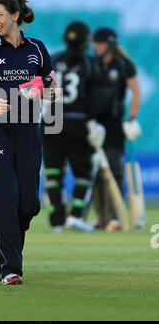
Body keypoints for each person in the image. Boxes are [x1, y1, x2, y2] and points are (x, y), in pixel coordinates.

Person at [0, 0, 56, 285]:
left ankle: (4, 242)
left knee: (29, 204)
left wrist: (40, 88)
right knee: (6, 198)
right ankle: (10, 268)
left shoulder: (38, 49)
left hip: (28, 129)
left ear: (15, 15)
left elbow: (53, 89)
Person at [42, 21, 105, 233]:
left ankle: (56, 222)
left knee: (53, 173)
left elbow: (40, 88)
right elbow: (93, 95)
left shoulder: (54, 58)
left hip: (51, 117)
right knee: (86, 171)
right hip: (77, 119)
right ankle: (75, 216)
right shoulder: (90, 62)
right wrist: (93, 122)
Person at [92, 27, 141, 231]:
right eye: (95, 44)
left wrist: (131, 119)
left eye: (101, 44)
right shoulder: (91, 64)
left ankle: (115, 217)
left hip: (113, 125)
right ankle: (102, 218)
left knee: (115, 169)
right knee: (95, 172)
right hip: (93, 125)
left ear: (110, 44)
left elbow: (136, 92)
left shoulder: (123, 64)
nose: (97, 48)